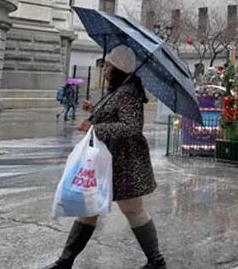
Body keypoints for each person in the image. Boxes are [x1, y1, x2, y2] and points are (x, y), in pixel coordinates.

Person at [47, 45, 165, 269]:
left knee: (133, 210)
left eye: (108, 66)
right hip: (108, 160)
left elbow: (131, 126)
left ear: (119, 68)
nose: (104, 69)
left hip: (126, 163)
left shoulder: (128, 92)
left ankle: (156, 261)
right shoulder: (119, 90)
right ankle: (65, 262)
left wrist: (95, 127)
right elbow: (114, 115)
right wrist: (94, 110)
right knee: (89, 209)